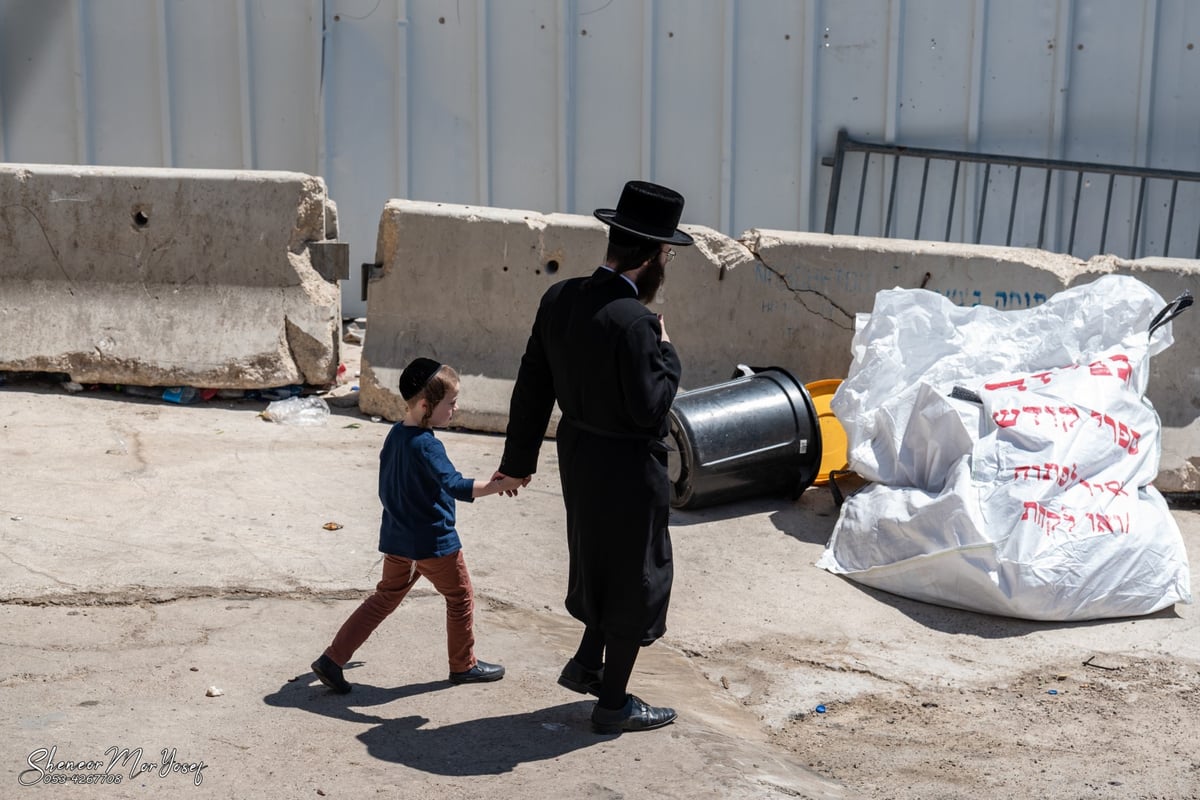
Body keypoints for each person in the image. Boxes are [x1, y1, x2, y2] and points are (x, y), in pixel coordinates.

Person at [493, 180, 694, 734]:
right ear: (656, 256)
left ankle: (586, 662)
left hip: (579, 453)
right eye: (668, 255)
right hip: (630, 465)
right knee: (636, 574)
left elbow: (532, 384)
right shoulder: (635, 322)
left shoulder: (560, 298)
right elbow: (650, 409)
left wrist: (519, 460)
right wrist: (668, 351)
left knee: (596, 559)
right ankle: (613, 703)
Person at [311, 357, 524, 693]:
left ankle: (332, 659)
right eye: (450, 404)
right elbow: (455, 485)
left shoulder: (396, 435)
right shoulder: (428, 445)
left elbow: (387, 487)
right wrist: (501, 483)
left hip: (398, 540)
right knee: (460, 597)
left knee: (383, 599)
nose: (454, 410)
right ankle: (464, 666)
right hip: (434, 543)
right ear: (426, 405)